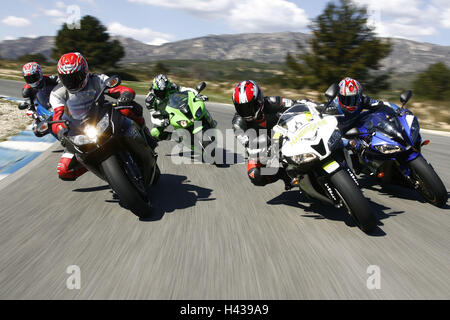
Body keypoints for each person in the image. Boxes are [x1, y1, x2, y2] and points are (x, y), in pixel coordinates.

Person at [49, 52, 155, 181]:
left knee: (129, 109)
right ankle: (107, 173)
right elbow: (57, 115)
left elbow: (119, 89)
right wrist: (60, 129)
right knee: (63, 171)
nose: (72, 81)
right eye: (67, 78)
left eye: (76, 77)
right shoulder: (56, 93)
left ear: (85, 71)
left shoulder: (97, 79)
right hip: (77, 127)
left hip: (101, 114)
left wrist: (125, 95)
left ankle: (146, 136)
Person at [231, 80, 306, 189]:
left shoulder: (272, 101)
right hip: (262, 147)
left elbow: (296, 104)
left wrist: (311, 104)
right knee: (254, 175)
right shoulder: (238, 123)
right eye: (241, 108)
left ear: (259, 100)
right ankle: (283, 175)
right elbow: (246, 143)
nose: (246, 112)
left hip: (285, 134)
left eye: (250, 106)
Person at [145, 74, 206, 141]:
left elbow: (184, 89)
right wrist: (162, 122)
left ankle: (205, 121)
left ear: (167, 87)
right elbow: (153, 116)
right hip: (163, 117)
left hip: (177, 108)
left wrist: (197, 94)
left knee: (195, 110)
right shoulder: (149, 100)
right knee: (155, 133)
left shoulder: (171, 86)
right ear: (154, 88)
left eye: (164, 91)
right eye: (159, 91)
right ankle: (177, 137)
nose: (162, 94)